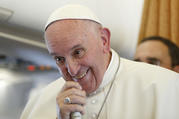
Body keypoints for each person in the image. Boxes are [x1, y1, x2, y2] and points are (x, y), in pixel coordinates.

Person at [20, 4, 179, 119]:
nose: (72, 70)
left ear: (104, 40)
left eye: (78, 52)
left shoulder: (166, 86)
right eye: (59, 59)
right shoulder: (39, 103)